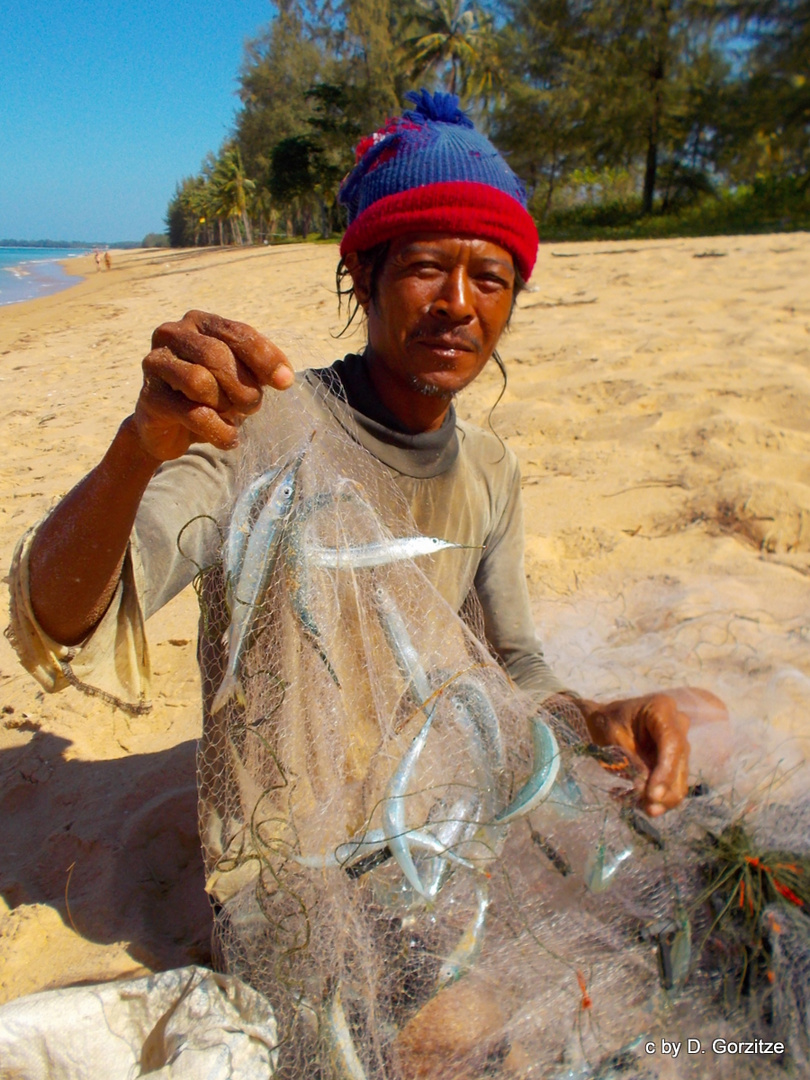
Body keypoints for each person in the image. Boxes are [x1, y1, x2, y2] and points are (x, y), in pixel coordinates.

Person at [9, 91, 692, 818]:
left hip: (427, 815)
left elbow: (515, 663)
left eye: (489, 278)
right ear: (364, 277)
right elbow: (62, 616)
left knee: (698, 720)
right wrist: (135, 450)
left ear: (512, 299)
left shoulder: (491, 469)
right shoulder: (257, 433)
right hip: (283, 845)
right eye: (426, 266)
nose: (459, 303)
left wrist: (594, 718)